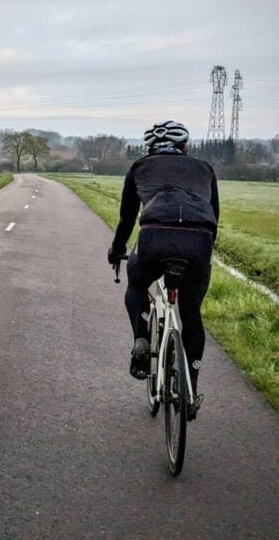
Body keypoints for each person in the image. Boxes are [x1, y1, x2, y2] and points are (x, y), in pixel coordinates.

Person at [107, 120, 219, 420]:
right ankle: (191, 389)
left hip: (155, 236)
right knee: (191, 312)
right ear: (185, 147)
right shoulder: (205, 168)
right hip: (199, 239)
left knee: (136, 283)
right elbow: (215, 215)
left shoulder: (139, 167)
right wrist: (203, 254)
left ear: (150, 148)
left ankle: (141, 339)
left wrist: (117, 249)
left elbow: (127, 217)